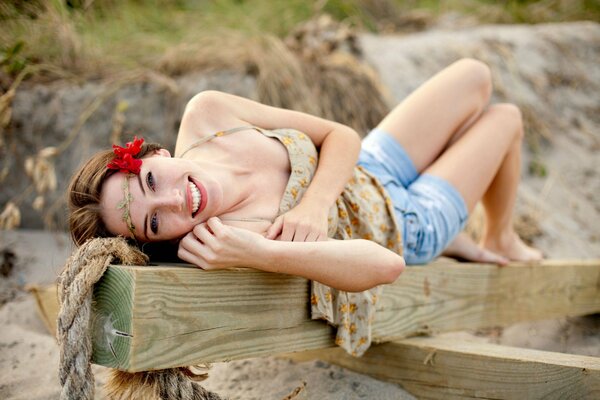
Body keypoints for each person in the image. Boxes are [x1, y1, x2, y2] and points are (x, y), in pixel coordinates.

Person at [68, 58, 543, 294]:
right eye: (153, 223)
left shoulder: (208, 113)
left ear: (158, 153)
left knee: (475, 75)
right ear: (160, 239)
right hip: (404, 223)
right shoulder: (228, 237)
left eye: (151, 181)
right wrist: (263, 251)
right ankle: (494, 237)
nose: (173, 202)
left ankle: (489, 234)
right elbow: (386, 266)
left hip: (366, 167)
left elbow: (341, 135)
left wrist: (314, 204)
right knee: (505, 119)